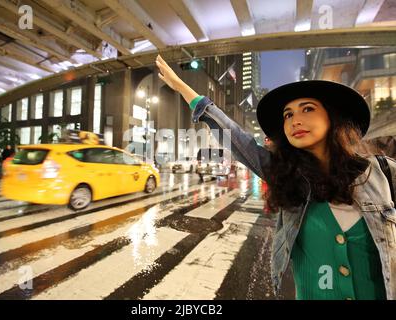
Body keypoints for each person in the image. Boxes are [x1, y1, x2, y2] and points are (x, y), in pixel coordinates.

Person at [155, 54, 396, 300]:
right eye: (288, 115)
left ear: (332, 117)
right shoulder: (287, 173)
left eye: (308, 109)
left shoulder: (384, 173)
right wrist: (181, 87)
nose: (295, 120)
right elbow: (236, 138)